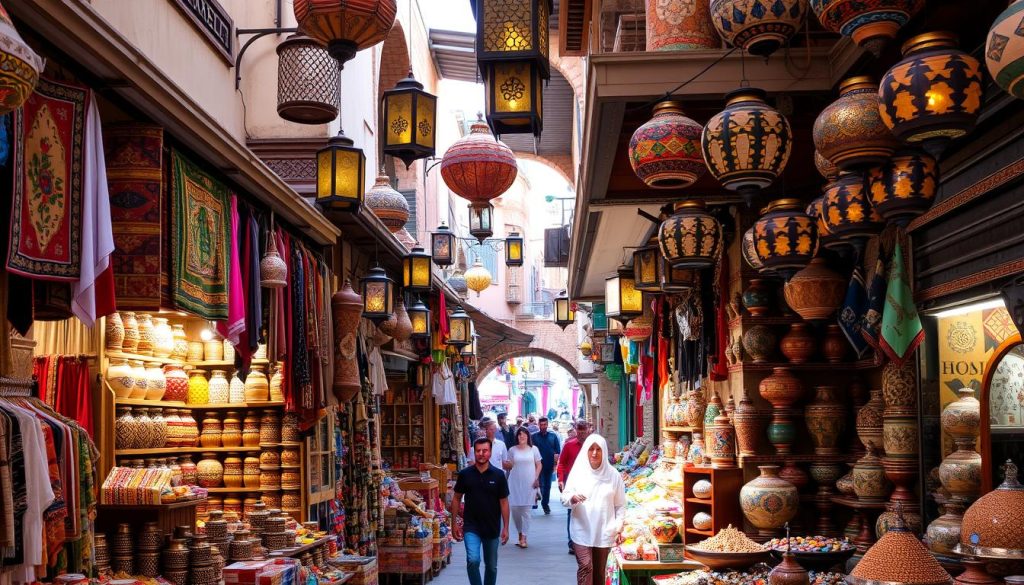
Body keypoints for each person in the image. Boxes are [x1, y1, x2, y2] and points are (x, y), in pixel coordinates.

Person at [561, 434, 626, 585]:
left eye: (598, 449)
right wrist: (573, 498)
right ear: (586, 451)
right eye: (591, 449)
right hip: (581, 530)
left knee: (600, 572)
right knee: (586, 566)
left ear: (604, 451)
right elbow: (564, 498)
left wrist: (618, 526)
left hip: (604, 531)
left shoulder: (613, 476)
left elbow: (620, 504)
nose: (595, 453)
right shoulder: (578, 472)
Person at [453, 438, 510, 585]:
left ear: (490, 452)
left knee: (491, 567)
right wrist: (453, 523)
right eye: (478, 451)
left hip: (492, 527)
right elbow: (456, 498)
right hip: (471, 526)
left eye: (484, 451)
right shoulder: (465, 474)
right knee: (473, 560)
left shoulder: (498, 475)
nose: (481, 454)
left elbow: (504, 502)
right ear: (474, 452)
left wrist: (506, 527)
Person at [557, 420, 591, 554]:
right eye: (579, 432)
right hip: (573, 483)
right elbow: (561, 463)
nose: (582, 435)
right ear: (576, 430)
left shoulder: (593, 446)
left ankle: (586, 539)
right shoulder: (569, 445)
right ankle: (572, 542)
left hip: (590, 482)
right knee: (572, 512)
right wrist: (560, 480)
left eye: (584, 432)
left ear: (588, 430)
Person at [504, 426, 541, 548]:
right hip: (514, 483)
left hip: (529, 483)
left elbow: (538, 465)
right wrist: (506, 464)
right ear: (517, 437)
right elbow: (509, 465)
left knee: (526, 510)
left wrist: (536, 478)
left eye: (524, 434)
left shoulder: (533, 449)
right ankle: (520, 532)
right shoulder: (512, 450)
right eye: (519, 434)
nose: (522, 436)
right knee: (515, 510)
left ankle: (524, 537)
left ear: (528, 436)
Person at [531, 416, 561, 514]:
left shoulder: (553, 436)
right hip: (537, 466)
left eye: (545, 424)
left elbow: (557, 452)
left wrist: (555, 465)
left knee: (547, 486)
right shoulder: (534, 437)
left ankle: (545, 504)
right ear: (538, 425)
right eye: (541, 424)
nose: (543, 426)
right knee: (540, 485)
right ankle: (540, 500)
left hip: (549, 465)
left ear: (547, 425)